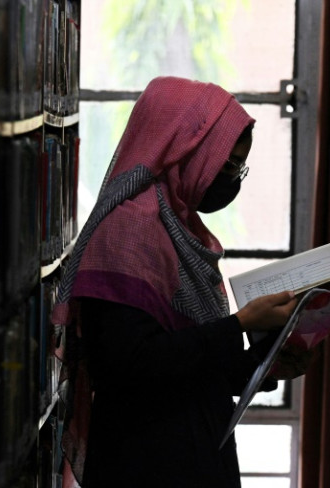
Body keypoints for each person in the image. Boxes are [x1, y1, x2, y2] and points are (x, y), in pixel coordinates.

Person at [51, 76, 298, 488]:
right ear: (186, 150)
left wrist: (265, 364)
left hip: (194, 453)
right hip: (146, 463)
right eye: (228, 164)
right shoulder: (128, 230)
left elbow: (192, 365)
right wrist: (238, 325)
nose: (233, 178)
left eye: (241, 166)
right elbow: (128, 365)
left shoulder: (181, 227)